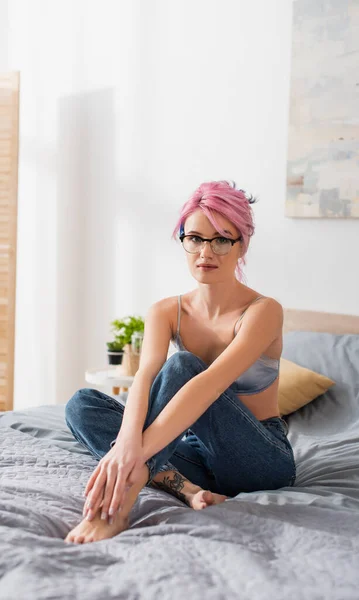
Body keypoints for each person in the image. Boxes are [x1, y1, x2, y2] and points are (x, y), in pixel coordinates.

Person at [64, 180, 296, 544]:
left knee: (184, 366)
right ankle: (185, 489)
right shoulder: (166, 310)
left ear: (242, 246)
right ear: (183, 241)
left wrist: (132, 459)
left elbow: (208, 385)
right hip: (194, 455)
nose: (206, 252)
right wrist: (126, 442)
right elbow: (144, 377)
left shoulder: (263, 311)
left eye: (221, 239)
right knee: (82, 404)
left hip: (257, 459)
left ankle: (119, 505)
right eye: (195, 239)